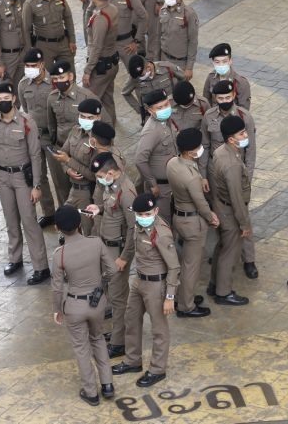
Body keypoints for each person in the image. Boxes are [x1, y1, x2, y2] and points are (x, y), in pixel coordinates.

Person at [0, 82, 50, 284]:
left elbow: (35, 156)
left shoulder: (27, 123)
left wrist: (36, 186)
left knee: (29, 221)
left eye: (5, 99)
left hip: (22, 178)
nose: (2, 102)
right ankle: (15, 259)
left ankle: (41, 267)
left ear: (13, 99)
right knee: (10, 220)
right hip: (3, 177)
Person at [112, 193, 180, 388]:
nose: (143, 217)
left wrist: (170, 297)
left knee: (159, 329)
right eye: (140, 214)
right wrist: (124, 258)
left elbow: (174, 267)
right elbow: (131, 244)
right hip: (139, 280)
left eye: (147, 214)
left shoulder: (161, 233)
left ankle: (157, 369)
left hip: (156, 286)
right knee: (131, 319)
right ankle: (132, 360)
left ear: (156, 211)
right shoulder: (138, 225)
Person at [51, 205, 116, 406]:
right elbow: (112, 270)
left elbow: (57, 288)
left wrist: (57, 310)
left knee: (81, 348)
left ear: (57, 228)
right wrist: (100, 283)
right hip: (97, 303)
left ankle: (91, 392)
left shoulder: (59, 254)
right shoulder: (95, 243)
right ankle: (107, 385)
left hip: (74, 305)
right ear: (80, 224)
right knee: (98, 339)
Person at [201, 80, 257, 278]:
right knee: (222, 213)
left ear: (234, 95)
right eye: (220, 98)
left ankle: (249, 259)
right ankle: (225, 248)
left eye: (228, 97)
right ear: (214, 98)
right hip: (215, 171)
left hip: (237, 170)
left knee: (242, 211)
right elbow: (205, 146)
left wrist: (247, 178)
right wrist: (203, 175)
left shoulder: (244, 117)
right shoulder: (209, 116)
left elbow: (250, 152)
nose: (224, 100)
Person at [84, 151, 137, 359]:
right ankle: (116, 332)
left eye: (100, 176)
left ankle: (119, 342)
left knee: (118, 297)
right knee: (112, 294)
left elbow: (133, 228)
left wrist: (124, 257)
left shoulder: (127, 192)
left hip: (118, 251)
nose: (99, 180)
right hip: (107, 247)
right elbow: (112, 209)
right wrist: (98, 208)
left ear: (112, 173)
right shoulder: (111, 186)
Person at [168, 128, 219, 317]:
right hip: (192, 222)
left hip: (178, 217)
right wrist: (211, 217)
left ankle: (181, 296)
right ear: (190, 152)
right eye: (198, 147)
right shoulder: (191, 177)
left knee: (184, 262)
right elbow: (200, 202)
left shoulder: (173, 163)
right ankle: (186, 306)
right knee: (191, 266)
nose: (201, 149)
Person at [208, 115, 252, 304]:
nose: (246, 135)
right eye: (241, 133)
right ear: (231, 139)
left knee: (222, 247)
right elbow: (236, 197)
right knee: (230, 253)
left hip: (221, 206)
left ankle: (214, 284)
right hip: (230, 211)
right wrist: (244, 224)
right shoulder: (232, 164)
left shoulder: (221, 151)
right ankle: (223, 293)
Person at [46, 60, 97, 209]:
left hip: (83, 151)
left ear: (71, 76)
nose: (58, 81)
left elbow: (104, 123)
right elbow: (52, 125)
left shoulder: (86, 96)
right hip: (62, 150)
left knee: (85, 193)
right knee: (62, 189)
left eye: (61, 77)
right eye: (55, 79)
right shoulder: (52, 98)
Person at [18, 48, 57, 226]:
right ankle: (49, 212)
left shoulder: (54, 83)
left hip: (52, 138)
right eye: (27, 65)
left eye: (33, 65)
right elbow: (26, 110)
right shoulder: (23, 85)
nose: (30, 69)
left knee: (59, 178)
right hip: (34, 137)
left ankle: (66, 214)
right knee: (39, 176)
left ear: (42, 64)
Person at [52, 98, 102, 236]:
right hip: (73, 189)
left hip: (87, 193)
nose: (85, 120)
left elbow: (95, 175)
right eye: (82, 116)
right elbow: (63, 154)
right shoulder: (75, 130)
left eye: (90, 118)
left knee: (88, 231)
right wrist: (67, 169)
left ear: (98, 117)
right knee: (63, 222)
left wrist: (69, 161)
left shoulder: (99, 141)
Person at [135, 89, 179, 223]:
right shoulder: (151, 131)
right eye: (159, 108)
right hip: (161, 186)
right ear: (150, 110)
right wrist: (153, 184)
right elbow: (140, 160)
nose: (165, 109)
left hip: (173, 181)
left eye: (166, 104)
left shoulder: (168, 121)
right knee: (164, 219)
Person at [22, 0, 77, 71]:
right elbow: (26, 29)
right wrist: (30, 51)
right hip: (44, 46)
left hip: (63, 43)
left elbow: (68, 18)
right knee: (46, 76)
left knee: (69, 73)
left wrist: (72, 40)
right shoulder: (30, 4)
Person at [83, 0, 120, 126]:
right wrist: (91, 6)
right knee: (107, 99)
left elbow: (96, 47)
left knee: (89, 99)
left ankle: (102, 130)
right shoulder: (112, 9)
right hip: (111, 63)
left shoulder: (100, 18)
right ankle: (111, 126)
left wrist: (88, 71)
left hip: (101, 67)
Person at [104, 0, 147, 69]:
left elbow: (144, 17)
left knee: (135, 72)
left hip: (126, 44)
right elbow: (89, 14)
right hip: (106, 44)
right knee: (105, 75)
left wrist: (136, 41)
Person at [154, 0, 199, 80]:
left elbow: (193, 42)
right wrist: (156, 61)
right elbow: (158, 37)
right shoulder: (163, 11)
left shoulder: (189, 14)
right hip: (164, 60)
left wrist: (189, 67)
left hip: (180, 63)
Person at [123, 54, 185, 124]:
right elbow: (125, 93)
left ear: (148, 67)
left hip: (172, 109)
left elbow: (183, 77)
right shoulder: (135, 78)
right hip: (153, 115)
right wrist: (139, 109)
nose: (140, 77)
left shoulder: (166, 67)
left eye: (142, 75)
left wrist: (179, 96)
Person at [203, 42, 251, 110]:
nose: (221, 65)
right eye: (217, 62)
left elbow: (244, 109)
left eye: (224, 61)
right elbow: (206, 101)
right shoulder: (211, 78)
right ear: (213, 63)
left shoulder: (241, 82)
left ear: (230, 61)